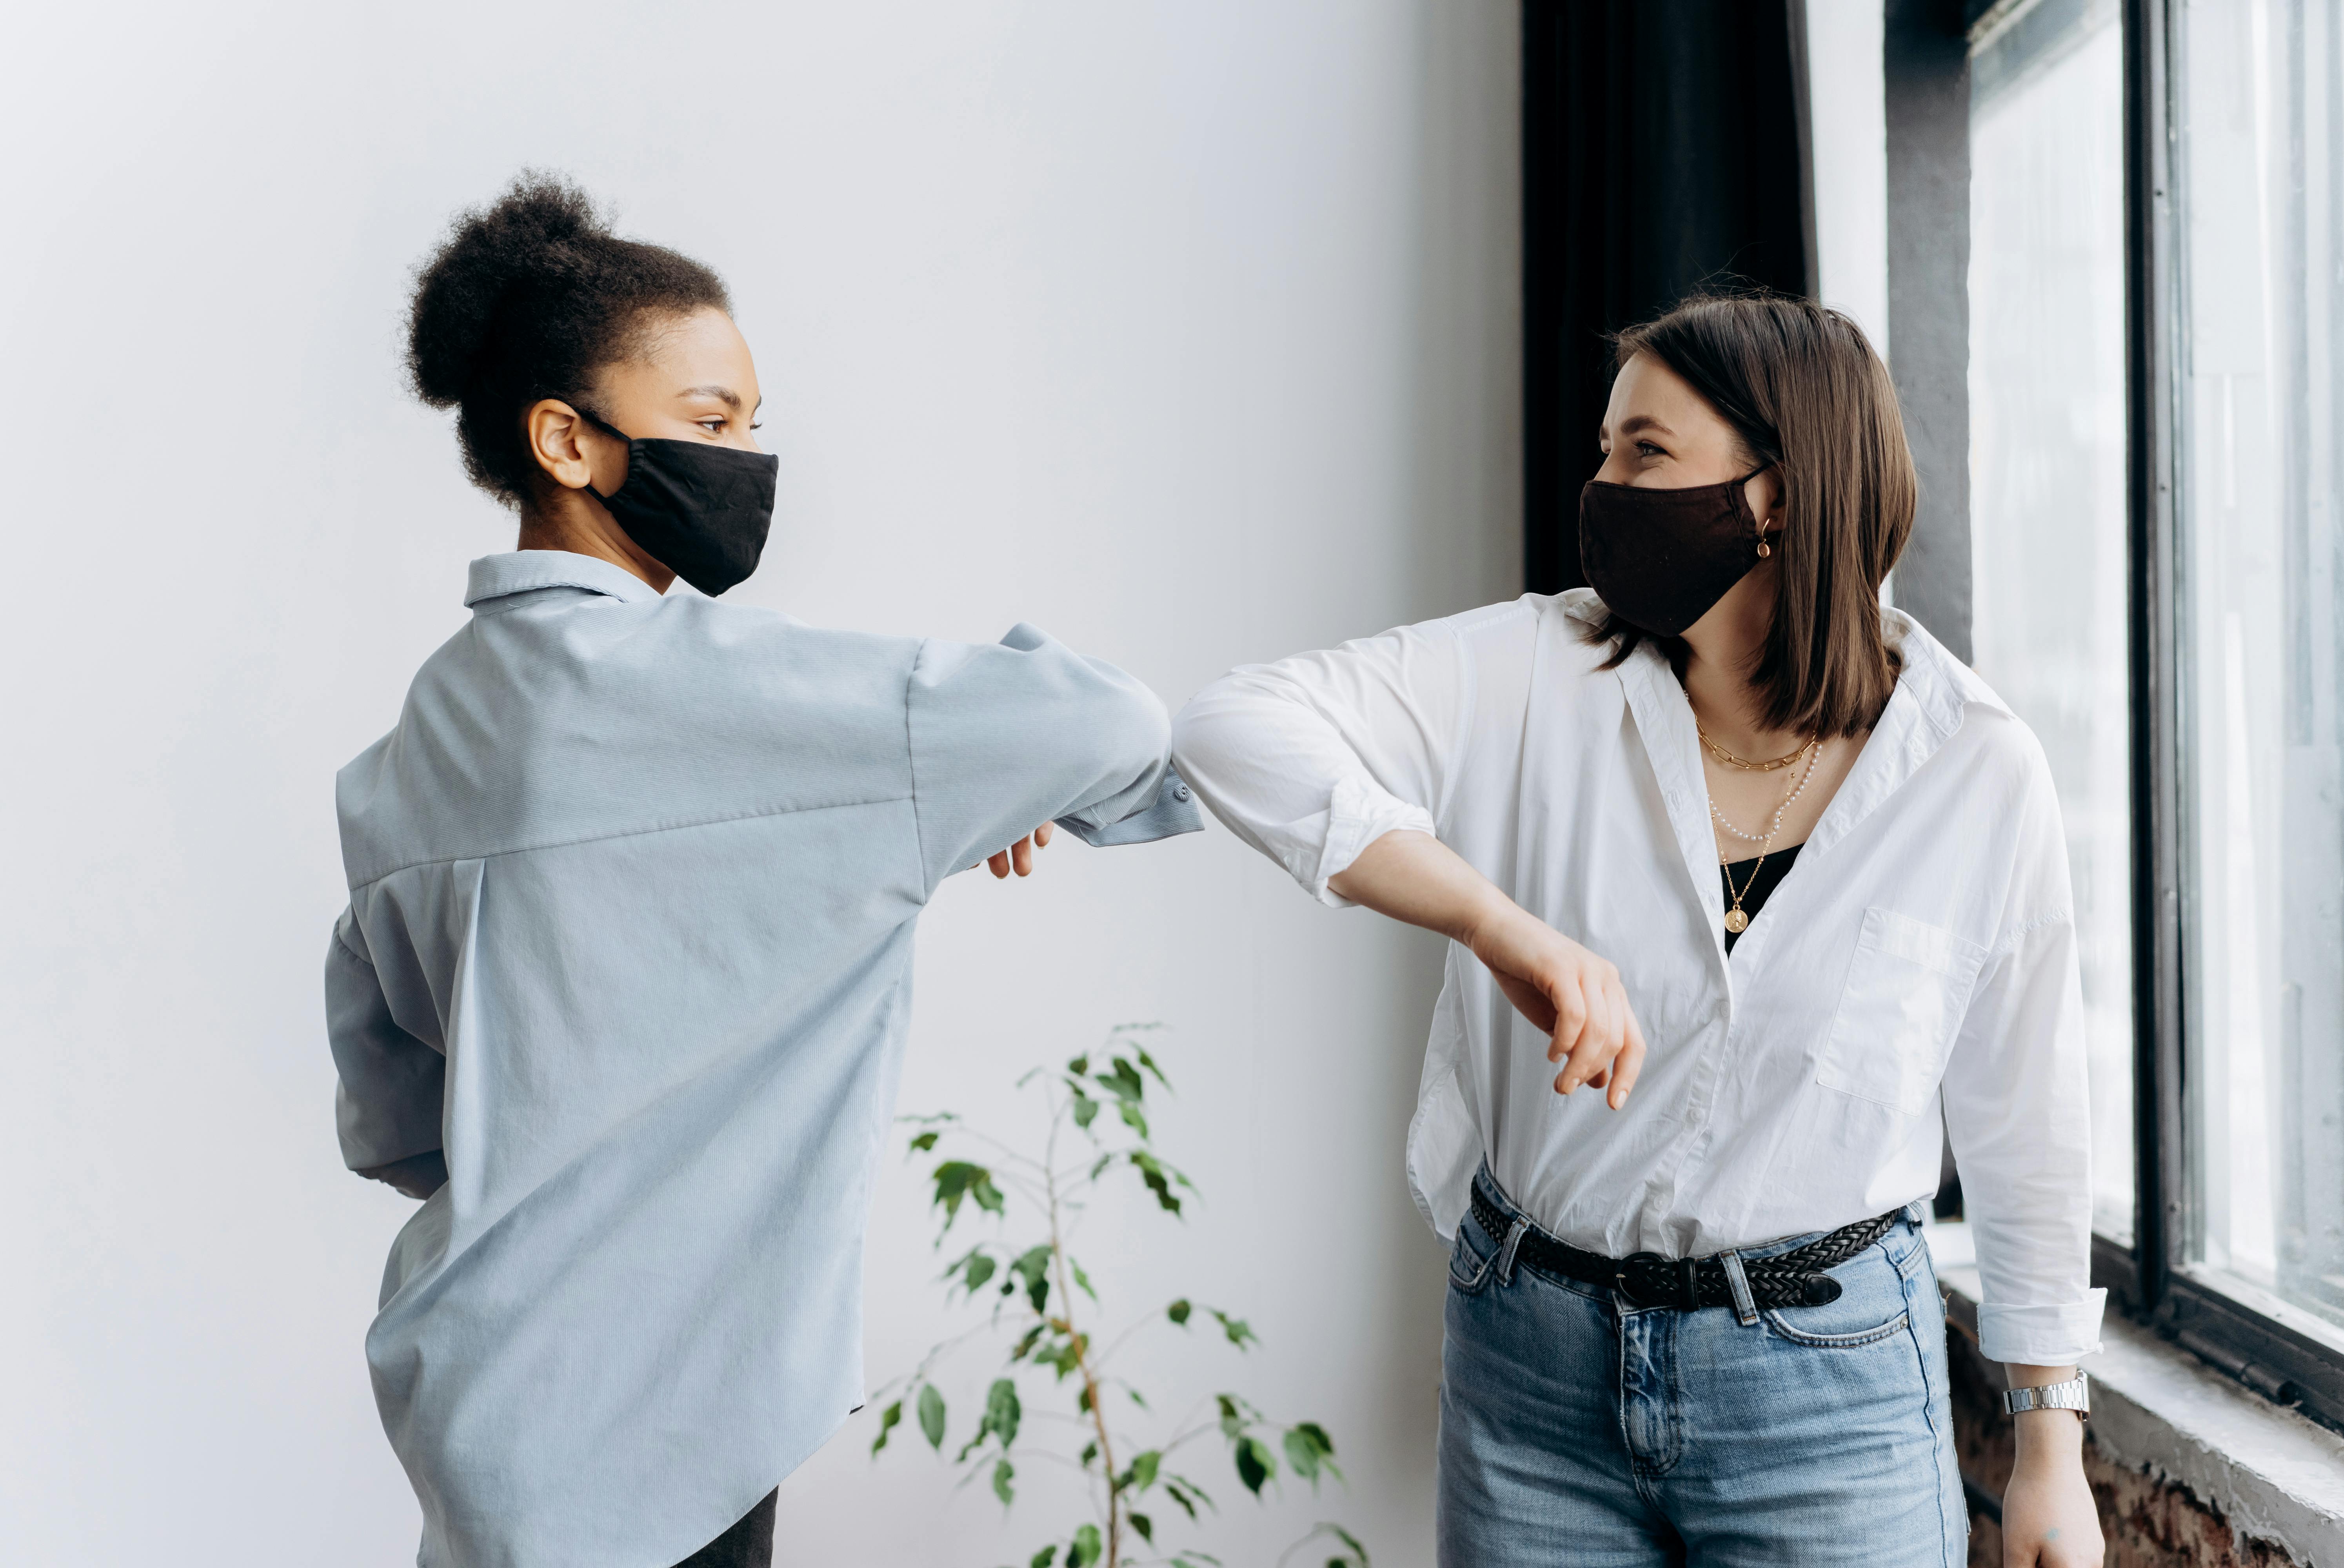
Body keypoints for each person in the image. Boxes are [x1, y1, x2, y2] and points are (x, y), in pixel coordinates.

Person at [325, 174, 1198, 1568]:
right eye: (708, 424)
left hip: (475, 1405)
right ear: (567, 440)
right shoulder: (727, 696)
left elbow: (394, 1130)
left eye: (751, 426)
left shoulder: (401, 761)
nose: (744, 460)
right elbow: (1114, 724)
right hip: (669, 1420)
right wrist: (971, 780)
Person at [1172, 292, 2105, 1568]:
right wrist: (1497, 924)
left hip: (1828, 1398)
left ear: (1778, 495)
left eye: (1645, 453)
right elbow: (1232, 727)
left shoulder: (1976, 772)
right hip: (1532, 1374)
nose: (1603, 486)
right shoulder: (1541, 668)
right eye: (1605, 450)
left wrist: (2051, 1449)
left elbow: (2026, 1122)